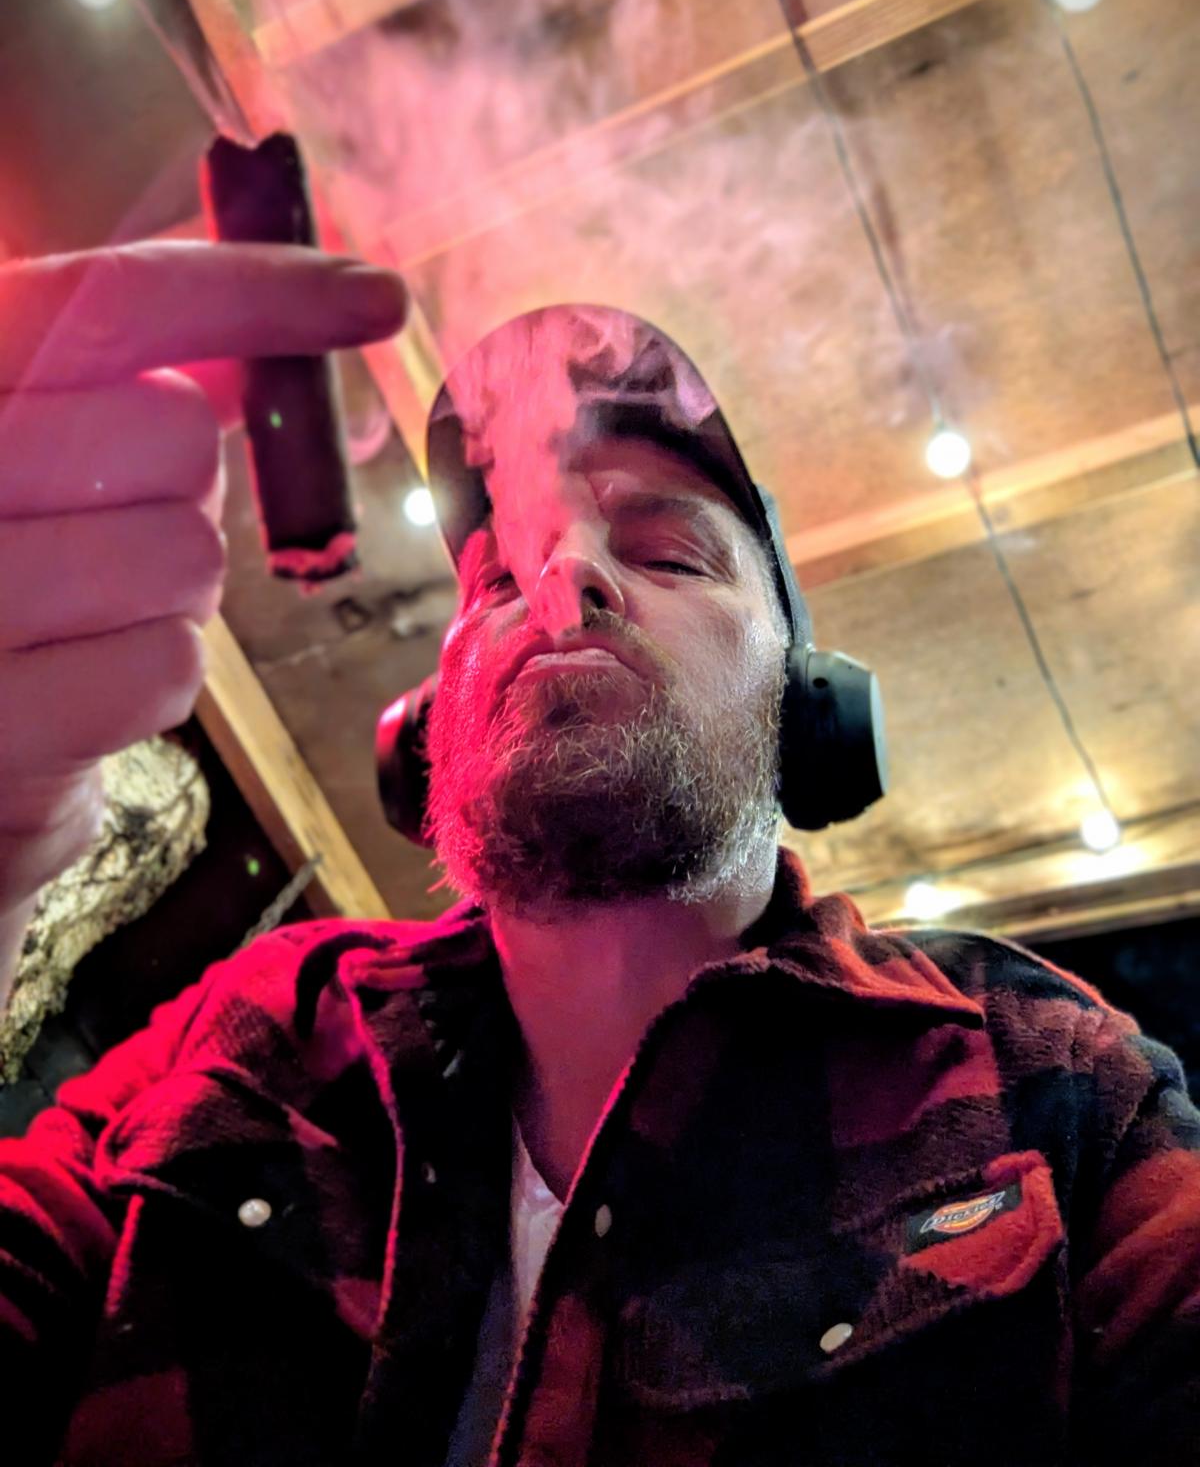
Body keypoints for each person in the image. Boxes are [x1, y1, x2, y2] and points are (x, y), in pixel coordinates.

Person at [0, 242, 1196, 1467]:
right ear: (428, 726)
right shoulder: (260, 1024)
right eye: (498, 578)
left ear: (806, 703)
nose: (563, 574)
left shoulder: (1045, 1075)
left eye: (669, 553)